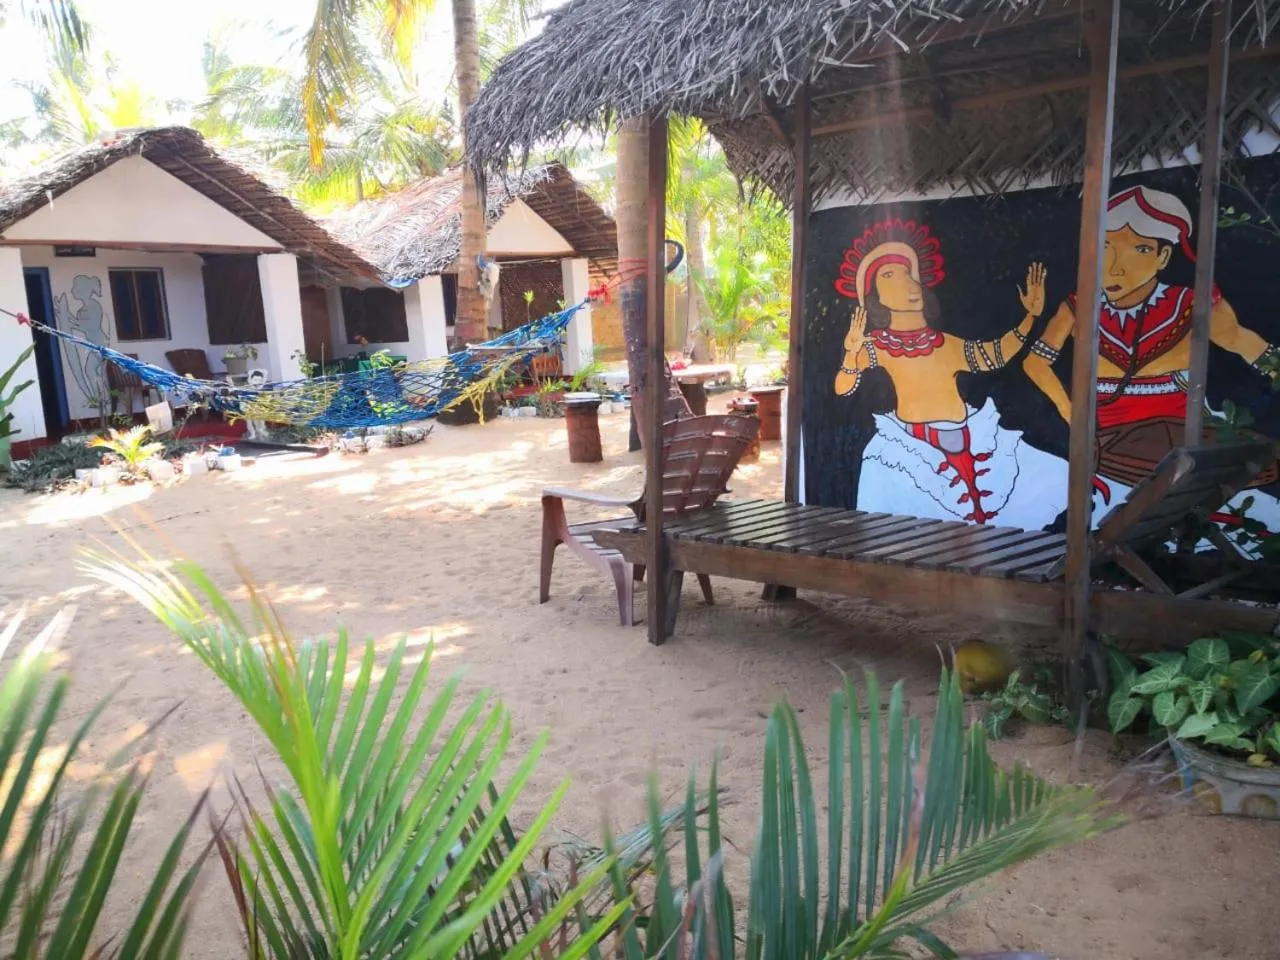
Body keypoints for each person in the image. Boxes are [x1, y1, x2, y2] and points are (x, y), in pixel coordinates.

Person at [1022, 184, 1280, 528]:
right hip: (1116, 441)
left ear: (1163, 257)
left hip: (1187, 435)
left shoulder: (1190, 304)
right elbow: (1035, 362)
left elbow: (1240, 340)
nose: (1113, 267)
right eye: (1106, 247)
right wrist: (1072, 414)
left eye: (1139, 249)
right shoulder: (1079, 306)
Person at [834, 219, 1066, 526]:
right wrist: (851, 353)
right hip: (913, 449)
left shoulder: (946, 344)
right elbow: (842, 386)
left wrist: (1030, 318)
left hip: (976, 440)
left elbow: (995, 355)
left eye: (908, 274)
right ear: (876, 297)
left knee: (1056, 479)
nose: (906, 283)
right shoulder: (878, 345)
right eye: (890, 276)